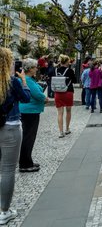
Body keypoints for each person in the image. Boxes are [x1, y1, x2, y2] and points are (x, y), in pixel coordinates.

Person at [0, 47, 31, 225]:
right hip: (10, 126)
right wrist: (24, 81)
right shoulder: (13, 82)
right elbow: (26, 98)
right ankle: (4, 211)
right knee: (7, 169)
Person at [18, 58, 48, 172]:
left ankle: (27, 160)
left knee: (27, 137)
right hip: (30, 112)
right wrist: (44, 98)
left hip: (27, 111)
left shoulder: (26, 79)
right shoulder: (28, 80)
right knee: (28, 137)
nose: (37, 69)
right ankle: (25, 164)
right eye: (35, 67)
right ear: (30, 69)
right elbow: (37, 94)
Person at [51, 54, 77, 138]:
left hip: (58, 92)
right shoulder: (70, 71)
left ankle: (60, 132)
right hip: (68, 92)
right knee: (68, 111)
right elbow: (75, 81)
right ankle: (67, 129)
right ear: (67, 61)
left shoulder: (54, 70)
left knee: (59, 113)